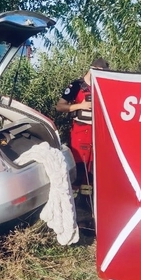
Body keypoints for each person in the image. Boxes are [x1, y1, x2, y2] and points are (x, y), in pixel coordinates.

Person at [56, 57, 109, 217]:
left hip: (97, 134)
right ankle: (74, 212)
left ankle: (88, 210)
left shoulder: (102, 86)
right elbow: (60, 106)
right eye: (100, 73)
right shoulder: (76, 86)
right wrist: (81, 106)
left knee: (92, 174)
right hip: (80, 134)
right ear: (92, 69)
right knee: (79, 172)